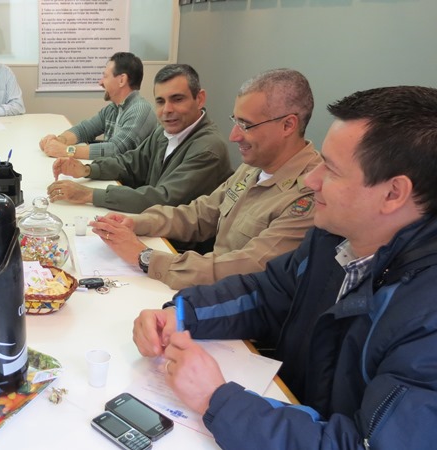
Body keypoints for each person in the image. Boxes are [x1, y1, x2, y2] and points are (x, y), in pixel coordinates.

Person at [133, 85, 437, 449]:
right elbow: (265, 294)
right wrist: (182, 314)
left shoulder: (426, 320)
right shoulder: (333, 238)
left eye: (332, 170)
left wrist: (217, 400)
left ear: (393, 193)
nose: (312, 180)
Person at [91, 69, 321, 289]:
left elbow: (244, 269)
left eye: (246, 125)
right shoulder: (255, 165)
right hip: (207, 286)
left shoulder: (310, 195)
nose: (234, 136)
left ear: (288, 125)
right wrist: (137, 222)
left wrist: (145, 257)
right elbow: (201, 214)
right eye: (236, 121)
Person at [48, 64, 231, 214]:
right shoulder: (166, 132)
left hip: (178, 247)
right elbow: (130, 163)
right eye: (160, 101)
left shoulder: (208, 149)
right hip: (154, 226)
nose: (167, 110)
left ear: (199, 99)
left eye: (177, 99)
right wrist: (87, 170)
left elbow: (162, 199)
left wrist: (88, 194)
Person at [39, 52, 157, 160]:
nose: (100, 82)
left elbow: (115, 150)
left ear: (122, 80)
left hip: (126, 182)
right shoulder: (113, 109)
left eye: (105, 76)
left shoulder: (140, 110)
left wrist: (66, 150)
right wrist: (58, 141)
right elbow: (84, 129)